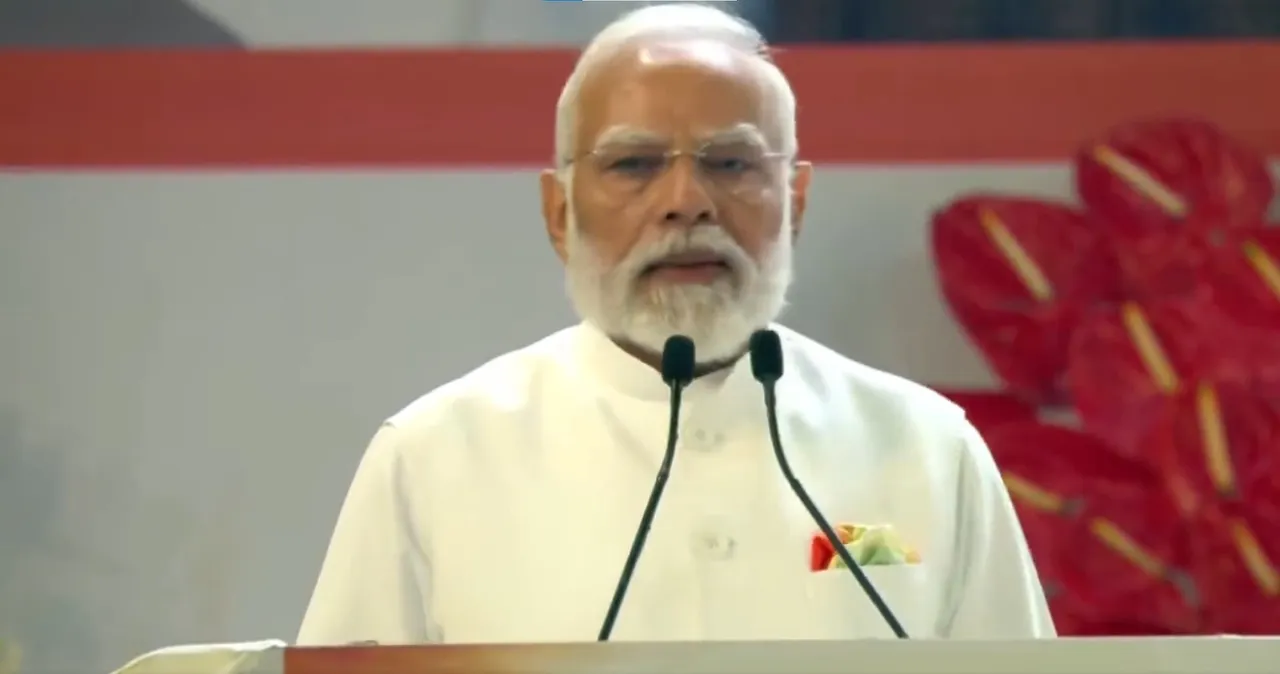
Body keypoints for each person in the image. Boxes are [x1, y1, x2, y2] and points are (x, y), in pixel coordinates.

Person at [296, 4, 1054, 644]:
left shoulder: (925, 447)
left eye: (730, 164)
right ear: (559, 213)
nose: (685, 201)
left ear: (794, 202)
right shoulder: (435, 458)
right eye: (633, 165)